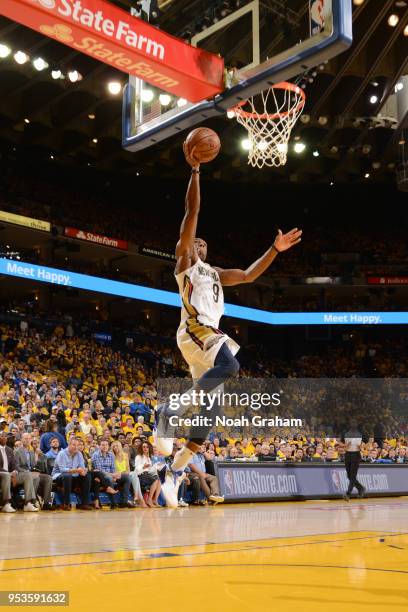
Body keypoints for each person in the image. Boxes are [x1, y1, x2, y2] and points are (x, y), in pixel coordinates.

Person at [156, 141, 302, 507]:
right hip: (195, 329)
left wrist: (274, 250)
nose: (198, 243)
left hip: (205, 340)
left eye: (203, 243)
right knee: (231, 364)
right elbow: (192, 210)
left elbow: (251, 275)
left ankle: (173, 472)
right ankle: (169, 409)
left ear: (209, 251)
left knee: (209, 416)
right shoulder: (185, 263)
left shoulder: (218, 273)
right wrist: (195, 170)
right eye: (194, 241)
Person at [0, 431, 38, 512]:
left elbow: (14, 465)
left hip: (11, 475)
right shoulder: (17, 451)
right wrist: (9, 473)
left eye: (5, 436)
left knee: (28, 475)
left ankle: (27, 503)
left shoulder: (9, 450)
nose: (3, 438)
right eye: (1, 436)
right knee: (6, 475)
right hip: (2, 474)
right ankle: (6, 504)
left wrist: (14, 472)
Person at [14, 432, 53, 510]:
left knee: (48, 478)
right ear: (21, 440)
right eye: (25, 438)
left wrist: (36, 457)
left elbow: (33, 466)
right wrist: (28, 472)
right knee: (35, 477)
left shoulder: (31, 451)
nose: (27, 440)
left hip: (31, 472)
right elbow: (16, 466)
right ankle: (32, 501)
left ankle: (46, 503)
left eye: (29, 438)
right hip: (21, 473)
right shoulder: (17, 451)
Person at [91, 440, 134, 509]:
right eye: (102, 445)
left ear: (108, 446)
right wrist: (112, 475)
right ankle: (113, 503)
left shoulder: (111, 455)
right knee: (109, 478)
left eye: (106, 445)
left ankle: (124, 501)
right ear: (99, 446)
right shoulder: (96, 455)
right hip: (101, 476)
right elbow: (99, 470)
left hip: (111, 475)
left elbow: (113, 468)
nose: (105, 446)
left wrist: (115, 475)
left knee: (127, 477)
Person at [51, 438, 92, 510]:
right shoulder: (62, 453)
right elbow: (62, 470)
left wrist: (84, 471)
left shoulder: (79, 454)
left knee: (87, 476)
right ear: (69, 445)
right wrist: (77, 470)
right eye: (73, 445)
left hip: (73, 476)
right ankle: (66, 503)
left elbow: (81, 467)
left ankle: (85, 503)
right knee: (67, 476)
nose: (76, 447)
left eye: (77, 445)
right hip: (59, 476)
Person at [111, 440, 146, 508]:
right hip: (117, 476)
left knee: (133, 474)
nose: (115, 448)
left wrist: (124, 473)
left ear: (120, 447)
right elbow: (113, 470)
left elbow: (128, 469)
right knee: (133, 475)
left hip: (126, 474)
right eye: (113, 446)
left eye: (117, 446)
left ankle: (136, 496)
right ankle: (138, 498)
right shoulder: (112, 456)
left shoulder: (125, 455)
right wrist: (121, 473)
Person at [343, 420, 366, 501]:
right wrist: (345, 446)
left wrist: (361, 447)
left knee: (352, 476)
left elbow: (364, 446)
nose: (353, 425)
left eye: (355, 423)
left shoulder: (360, 434)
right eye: (352, 423)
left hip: (356, 455)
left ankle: (348, 494)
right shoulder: (346, 434)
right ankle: (361, 488)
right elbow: (343, 447)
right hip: (347, 455)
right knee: (349, 476)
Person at [134, 441, 161, 508]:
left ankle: (155, 500)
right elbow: (137, 469)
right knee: (155, 480)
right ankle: (149, 500)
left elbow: (149, 470)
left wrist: (156, 467)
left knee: (160, 480)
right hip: (140, 475)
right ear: (141, 448)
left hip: (147, 474)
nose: (145, 448)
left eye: (147, 447)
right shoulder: (138, 457)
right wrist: (143, 466)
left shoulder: (149, 458)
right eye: (144, 447)